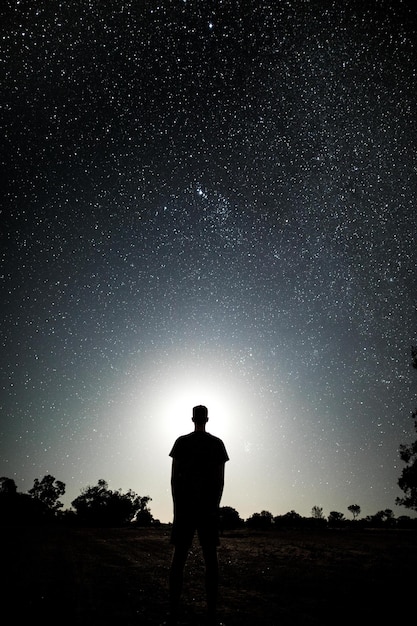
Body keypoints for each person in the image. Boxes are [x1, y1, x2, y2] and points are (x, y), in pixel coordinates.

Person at [165, 405, 229, 625]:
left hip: (185, 509)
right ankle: (210, 614)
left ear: (193, 418)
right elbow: (220, 481)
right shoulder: (216, 444)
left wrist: (177, 510)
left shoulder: (182, 442)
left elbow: (174, 479)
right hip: (207, 509)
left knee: (180, 559)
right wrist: (215, 508)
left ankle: (174, 611)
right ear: (207, 419)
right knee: (210, 559)